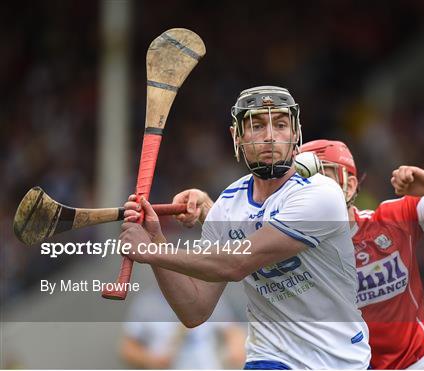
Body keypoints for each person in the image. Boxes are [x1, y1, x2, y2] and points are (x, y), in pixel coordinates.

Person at [119, 86, 371, 369]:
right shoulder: (228, 205)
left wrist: (151, 252)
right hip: (271, 358)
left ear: (296, 134)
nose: (270, 136)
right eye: (256, 125)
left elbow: (238, 262)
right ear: (236, 136)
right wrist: (158, 240)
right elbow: (195, 310)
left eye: (280, 124)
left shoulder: (320, 194)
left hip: (338, 361)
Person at [299, 139, 424, 369]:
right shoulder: (292, 251)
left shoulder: (392, 220)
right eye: (305, 183)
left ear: (350, 185)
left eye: (324, 179)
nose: (315, 191)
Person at [119, 286, 246, 369]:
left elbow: (233, 332)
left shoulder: (208, 297)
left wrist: (236, 347)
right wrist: (152, 360)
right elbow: (128, 348)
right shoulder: (146, 304)